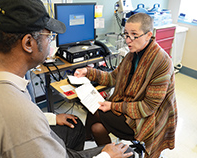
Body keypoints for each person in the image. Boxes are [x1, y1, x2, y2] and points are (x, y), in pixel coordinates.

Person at [0, 0, 134, 158]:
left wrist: (50, 117)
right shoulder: (21, 117)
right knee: (126, 152)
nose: (50, 42)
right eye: (49, 37)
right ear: (28, 42)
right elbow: (23, 124)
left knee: (75, 126)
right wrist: (106, 155)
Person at [74, 13, 177, 158]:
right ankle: (112, 154)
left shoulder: (161, 62)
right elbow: (112, 78)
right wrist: (88, 72)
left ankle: (79, 146)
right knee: (97, 128)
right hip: (129, 106)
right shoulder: (131, 55)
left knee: (96, 110)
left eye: (134, 35)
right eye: (126, 34)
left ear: (148, 35)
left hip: (148, 117)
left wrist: (112, 106)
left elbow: (148, 107)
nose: (128, 40)